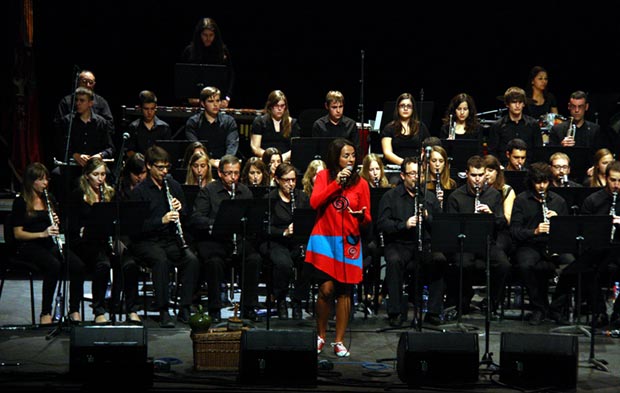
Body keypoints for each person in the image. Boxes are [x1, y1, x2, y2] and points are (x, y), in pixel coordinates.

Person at [304, 138, 371, 357]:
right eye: (346, 156)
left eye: (353, 155)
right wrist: (336, 184)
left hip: (348, 242)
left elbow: (368, 216)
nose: (351, 159)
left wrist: (362, 216)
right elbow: (315, 203)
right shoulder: (324, 176)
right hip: (324, 240)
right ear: (336, 158)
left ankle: (339, 341)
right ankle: (320, 335)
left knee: (344, 292)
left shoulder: (361, 183)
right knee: (326, 290)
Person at [129, 145, 200, 328]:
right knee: (160, 260)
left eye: (166, 167)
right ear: (149, 166)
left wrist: (180, 208)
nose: (164, 171)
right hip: (146, 241)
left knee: (191, 259)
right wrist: (161, 220)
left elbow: (187, 216)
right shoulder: (140, 191)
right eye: (160, 168)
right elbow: (136, 227)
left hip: (169, 239)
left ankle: (184, 307)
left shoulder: (173, 185)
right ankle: (163, 310)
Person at [190, 154, 263, 323]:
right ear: (220, 173)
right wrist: (216, 224)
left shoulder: (244, 191)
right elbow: (196, 218)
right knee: (214, 262)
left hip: (237, 240)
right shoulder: (208, 191)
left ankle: (248, 307)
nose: (233, 177)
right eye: (229, 173)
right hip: (215, 241)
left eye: (236, 173)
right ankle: (214, 309)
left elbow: (252, 217)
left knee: (254, 259)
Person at [11, 162, 85, 324]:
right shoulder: (21, 202)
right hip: (28, 245)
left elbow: (56, 226)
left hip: (48, 243)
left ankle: (74, 310)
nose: (46, 183)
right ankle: (46, 312)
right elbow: (17, 234)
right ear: (31, 182)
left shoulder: (49, 199)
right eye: (41, 179)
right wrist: (42, 233)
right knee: (53, 265)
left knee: (78, 266)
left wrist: (56, 223)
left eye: (47, 179)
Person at [377, 156, 446, 326]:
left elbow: (441, 226)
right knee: (394, 262)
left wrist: (428, 218)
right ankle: (395, 312)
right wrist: (404, 224)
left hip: (423, 243)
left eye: (419, 174)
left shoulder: (429, 198)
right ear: (403, 176)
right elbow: (382, 223)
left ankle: (433, 311)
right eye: (412, 173)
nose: (416, 177)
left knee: (440, 261)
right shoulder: (390, 196)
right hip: (398, 243)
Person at [445, 155, 511, 317]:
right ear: (467, 174)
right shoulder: (456, 196)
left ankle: (492, 304)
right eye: (473, 175)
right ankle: (463, 303)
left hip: (486, 241)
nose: (477, 180)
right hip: (464, 242)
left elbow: (502, 223)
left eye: (480, 175)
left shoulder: (494, 195)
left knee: (503, 264)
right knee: (463, 264)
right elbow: (449, 227)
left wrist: (491, 215)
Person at [510, 162, 575, 325]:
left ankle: (556, 308)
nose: (541, 186)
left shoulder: (558, 201)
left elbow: (568, 233)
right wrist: (535, 231)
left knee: (572, 265)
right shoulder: (521, 200)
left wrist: (557, 223)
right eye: (538, 182)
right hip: (529, 244)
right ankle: (539, 307)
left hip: (554, 243)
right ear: (531, 182)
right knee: (526, 266)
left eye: (545, 182)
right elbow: (515, 231)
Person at [68, 157, 118, 324]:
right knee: (79, 267)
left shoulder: (109, 193)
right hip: (81, 244)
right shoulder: (78, 195)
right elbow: (73, 226)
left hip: (100, 243)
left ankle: (99, 310)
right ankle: (74, 309)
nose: (100, 178)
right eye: (96, 174)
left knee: (106, 264)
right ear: (87, 175)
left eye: (103, 174)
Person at [571, 160, 620, 328]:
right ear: (606, 178)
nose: (616, 185)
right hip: (598, 248)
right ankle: (598, 312)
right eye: (613, 180)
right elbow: (583, 232)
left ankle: (618, 313)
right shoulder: (593, 200)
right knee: (588, 269)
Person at [259, 163, 310, 319]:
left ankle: (298, 301)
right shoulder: (270, 199)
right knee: (284, 265)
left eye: (293, 180)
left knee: (307, 260)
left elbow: (309, 220)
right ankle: (280, 298)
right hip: (275, 241)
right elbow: (263, 228)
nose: (291, 184)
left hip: (297, 241)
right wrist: (284, 232)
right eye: (286, 180)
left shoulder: (302, 197)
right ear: (277, 180)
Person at [55, 86, 116, 168]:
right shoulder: (67, 121)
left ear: (90, 103)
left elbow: (110, 149)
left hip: (94, 166)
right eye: (76, 100)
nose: (78, 103)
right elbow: (59, 145)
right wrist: (74, 155)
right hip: (73, 164)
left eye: (82, 100)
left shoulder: (101, 122)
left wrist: (100, 155)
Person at [181, 17, 234, 108]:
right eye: (205, 35)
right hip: (194, 103)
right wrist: (188, 97)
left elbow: (231, 75)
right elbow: (182, 75)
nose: (208, 38)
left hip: (217, 102)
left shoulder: (222, 51)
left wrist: (227, 97)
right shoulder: (190, 51)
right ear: (199, 35)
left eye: (211, 35)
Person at [184, 86, 239, 168]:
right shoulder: (193, 122)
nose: (215, 104)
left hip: (223, 164)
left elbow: (232, 146)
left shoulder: (229, 121)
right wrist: (209, 161)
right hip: (201, 164)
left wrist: (223, 162)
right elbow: (196, 148)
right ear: (203, 103)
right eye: (210, 101)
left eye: (217, 101)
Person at [487, 86, 543, 163]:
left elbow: (538, 150)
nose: (517, 105)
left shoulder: (533, 124)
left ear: (524, 104)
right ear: (507, 104)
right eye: (514, 102)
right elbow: (492, 152)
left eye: (520, 102)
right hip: (504, 169)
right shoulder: (498, 126)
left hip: (529, 169)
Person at [381, 93, 431, 169]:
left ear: (413, 109)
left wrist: (418, 164)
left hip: (417, 168)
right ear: (397, 108)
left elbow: (427, 148)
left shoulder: (421, 127)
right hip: (396, 167)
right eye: (402, 106)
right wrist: (405, 164)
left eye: (409, 106)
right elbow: (387, 153)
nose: (405, 108)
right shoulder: (389, 128)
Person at [250, 90, 300, 163]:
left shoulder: (292, 123)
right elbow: (255, 148)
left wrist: (282, 157)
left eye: (282, 106)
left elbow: (296, 148)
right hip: (265, 160)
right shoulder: (260, 122)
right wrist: (271, 158)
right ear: (270, 106)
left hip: (285, 161)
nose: (279, 109)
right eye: (276, 106)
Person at [483, 154, 516, 258]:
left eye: (490, 170)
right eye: (484, 171)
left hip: (501, 231)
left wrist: (491, 215)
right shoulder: (477, 189)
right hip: (481, 229)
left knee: (496, 248)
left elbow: (508, 219)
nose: (487, 174)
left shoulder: (506, 190)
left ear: (497, 171)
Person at [126, 90, 172, 157]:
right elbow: (129, 151)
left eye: (152, 109)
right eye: (146, 109)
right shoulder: (134, 127)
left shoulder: (164, 127)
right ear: (140, 108)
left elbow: (167, 151)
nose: (149, 112)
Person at [425, 145, 456, 209]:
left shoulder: (452, 184)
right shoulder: (422, 183)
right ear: (428, 162)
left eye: (441, 161)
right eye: (434, 161)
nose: (437, 164)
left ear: (445, 164)